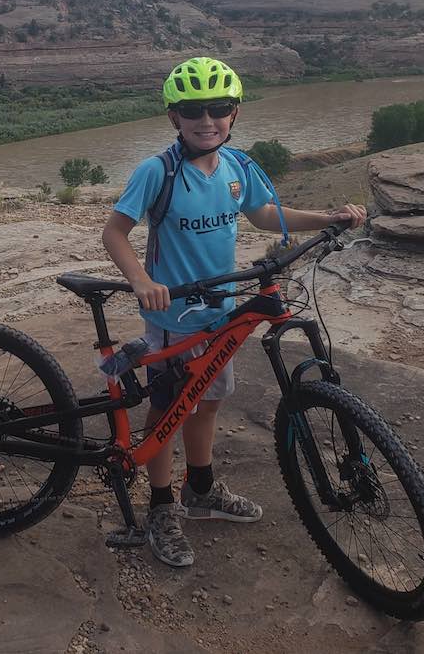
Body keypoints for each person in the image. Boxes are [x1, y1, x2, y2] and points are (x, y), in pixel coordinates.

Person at [101, 56, 366, 568]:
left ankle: (199, 487)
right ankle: (160, 506)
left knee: (208, 399)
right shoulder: (158, 172)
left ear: (235, 111)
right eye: (193, 110)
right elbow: (116, 232)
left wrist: (326, 218)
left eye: (218, 107)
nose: (207, 120)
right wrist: (143, 281)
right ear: (174, 117)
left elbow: (266, 215)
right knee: (166, 411)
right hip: (173, 318)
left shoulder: (239, 167)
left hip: (221, 315)